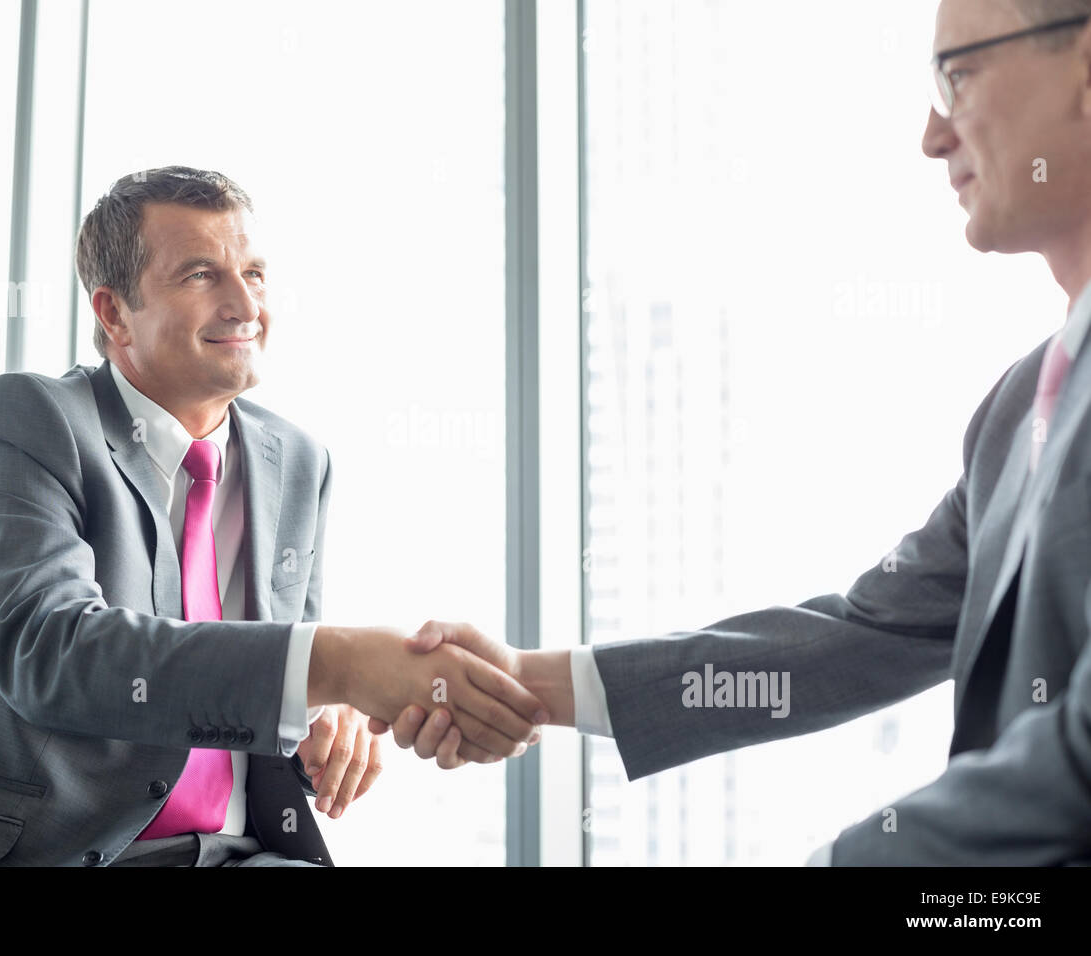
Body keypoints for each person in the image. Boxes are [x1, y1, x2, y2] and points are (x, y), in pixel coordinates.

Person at [376, 0, 1091, 865]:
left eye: (960, 73)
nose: (932, 135)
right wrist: (522, 685)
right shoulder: (1021, 406)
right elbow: (855, 642)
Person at [0, 166, 546, 868]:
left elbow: (278, 672)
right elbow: (51, 654)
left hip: (239, 853)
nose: (245, 305)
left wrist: (330, 711)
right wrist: (339, 664)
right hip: (41, 850)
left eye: (256, 273)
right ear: (113, 313)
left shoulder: (298, 461)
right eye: (202, 275)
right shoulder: (25, 421)